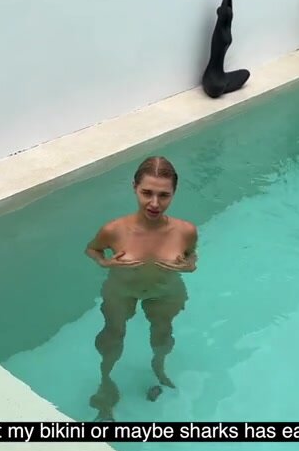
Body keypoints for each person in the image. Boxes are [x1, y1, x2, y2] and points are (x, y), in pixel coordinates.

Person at [84, 156, 199, 421]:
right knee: (113, 335)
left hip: (165, 291)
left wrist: (188, 266)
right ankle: (105, 381)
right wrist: (105, 262)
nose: (154, 203)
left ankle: (159, 368)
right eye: (147, 193)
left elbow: (191, 256)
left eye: (164, 195)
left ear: (174, 193)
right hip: (122, 290)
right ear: (134, 187)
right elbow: (92, 249)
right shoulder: (114, 230)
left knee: (162, 335)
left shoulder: (186, 231)